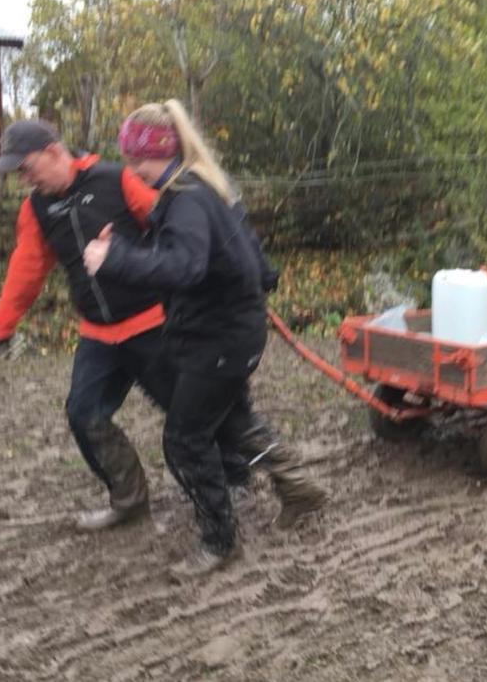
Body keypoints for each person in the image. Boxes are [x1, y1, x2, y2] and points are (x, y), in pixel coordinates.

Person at [82, 99, 328, 575]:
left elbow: (185, 265)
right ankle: (299, 487)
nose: (134, 171)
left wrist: (113, 260)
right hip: (229, 332)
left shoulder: (187, 199)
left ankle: (220, 544)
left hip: (220, 340)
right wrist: (256, 286)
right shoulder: (206, 187)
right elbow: (243, 255)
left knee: (184, 440)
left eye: (137, 160)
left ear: (159, 151)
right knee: (232, 421)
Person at [0, 119, 248, 532]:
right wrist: (2, 327)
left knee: (188, 412)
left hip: (154, 324)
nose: (25, 178)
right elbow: (27, 268)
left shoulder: (116, 179)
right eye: (19, 173)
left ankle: (235, 476)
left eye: (26, 167)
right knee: (83, 414)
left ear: (54, 151)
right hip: (99, 334)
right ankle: (128, 500)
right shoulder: (37, 208)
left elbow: (178, 224)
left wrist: (227, 275)